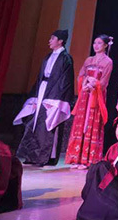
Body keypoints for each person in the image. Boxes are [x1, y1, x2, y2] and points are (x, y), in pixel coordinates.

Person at [13, 29, 75, 166]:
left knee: (48, 125)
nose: (49, 41)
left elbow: (66, 81)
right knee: (34, 123)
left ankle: (45, 157)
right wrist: (34, 97)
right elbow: (39, 77)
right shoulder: (47, 57)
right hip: (42, 90)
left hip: (54, 97)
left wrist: (55, 99)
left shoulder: (66, 59)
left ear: (60, 41)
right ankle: (32, 155)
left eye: (53, 38)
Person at [66, 34, 114, 168]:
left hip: (96, 95)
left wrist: (94, 84)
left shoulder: (108, 62)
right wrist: (85, 83)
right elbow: (81, 75)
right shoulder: (89, 60)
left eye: (99, 43)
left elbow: (104, 81)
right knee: (80, 123)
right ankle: (76, 157)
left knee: (92, 123)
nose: (96, 46)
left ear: (105, 45)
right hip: (85, 94)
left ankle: (88, 159)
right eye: (94, 43)